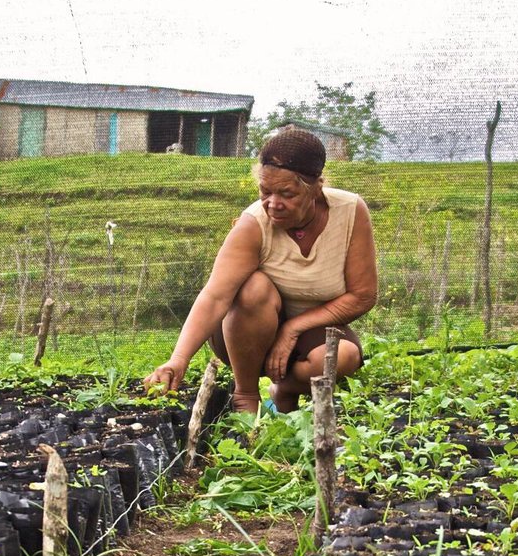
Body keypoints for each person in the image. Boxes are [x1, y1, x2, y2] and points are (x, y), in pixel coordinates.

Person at [144, 128, 377, 413]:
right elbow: (216, 296)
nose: (273, 204)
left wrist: (292, 328)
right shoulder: (253, 224)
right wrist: (178, 359)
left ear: (316, 188)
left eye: (287, 194)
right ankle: (246, 396)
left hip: (311, 331)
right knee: (253, 287)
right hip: (245, 332)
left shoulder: (350, 211)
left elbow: (362, 296)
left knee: (344, 356)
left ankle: (283, 389)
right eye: (265, 191)